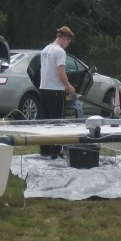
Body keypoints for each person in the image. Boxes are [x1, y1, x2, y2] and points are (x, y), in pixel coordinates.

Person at [39, 26, 77, 159]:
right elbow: (60, 72)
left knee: (45, 121)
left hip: (44, 90)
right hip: (56, 91)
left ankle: (44, 150)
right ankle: (56, 151)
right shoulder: (60, 52)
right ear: (65, 38)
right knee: (57, 122)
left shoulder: (45, 50)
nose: (68, 44)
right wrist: (68, 86)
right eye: (68, 41)